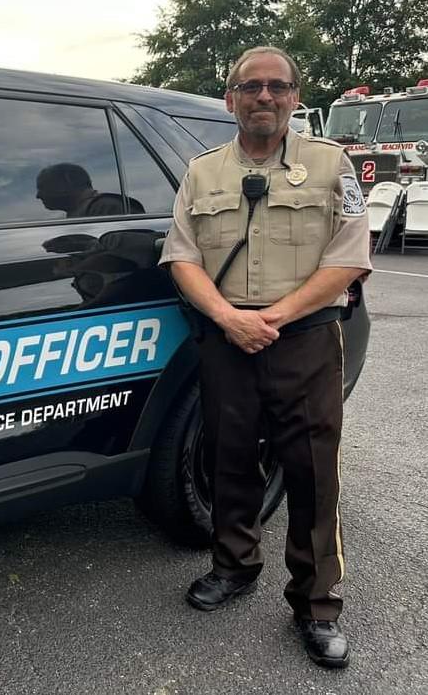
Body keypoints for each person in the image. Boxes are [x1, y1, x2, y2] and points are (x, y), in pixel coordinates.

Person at [158, 46, 372, 669]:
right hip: (228, 338)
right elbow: (182, 257)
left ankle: (316, 605)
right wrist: (229, 319)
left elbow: (350, 259)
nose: (264, 97)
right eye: (250, 87)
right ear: (230, 99)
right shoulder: (201, 173)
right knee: (228, 456)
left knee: (310, 470)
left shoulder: (332, 166)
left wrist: (273, 318)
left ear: (295, 97)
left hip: (303, 336)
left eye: (278, 87)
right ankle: (234, 566)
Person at [35, 163, 127, 217]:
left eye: (43, 188)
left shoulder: (107, 208)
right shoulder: (89, 211)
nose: (38, 196)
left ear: (67, 184)